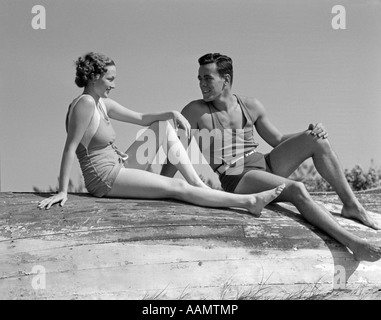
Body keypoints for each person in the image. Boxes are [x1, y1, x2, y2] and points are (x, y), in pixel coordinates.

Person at [161, 52, 381, 262]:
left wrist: (311, 132)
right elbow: (176, 151)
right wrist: (162, 186)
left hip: (263, 163)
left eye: (208, 78)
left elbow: (277, 139)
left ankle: (352, 206)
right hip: (237, 176)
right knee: (297, 189)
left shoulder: (250, 105)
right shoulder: (195, 111)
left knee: (318, 140)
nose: (202, 84)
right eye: (199, 79)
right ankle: (353, 242)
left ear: (225, 79)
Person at [38, 52, 285, 216]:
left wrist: (172, 113)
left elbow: (142, 119)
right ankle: (249, 202)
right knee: (175, 186)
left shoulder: (102, 103)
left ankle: (198, 184)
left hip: (118, 166)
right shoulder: (85, 104)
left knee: (162, 127)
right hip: (104, 178)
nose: (114, 84)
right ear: (94, 77)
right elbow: (70, 147)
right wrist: (62, 191)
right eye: (110, 79)